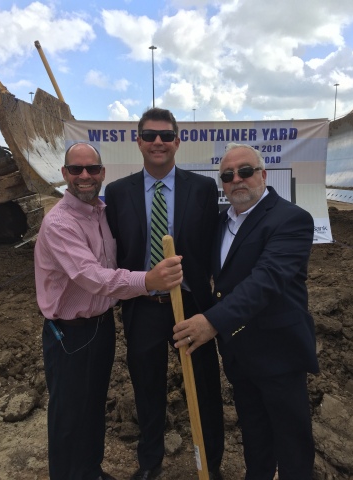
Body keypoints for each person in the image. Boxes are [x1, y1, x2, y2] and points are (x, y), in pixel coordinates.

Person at [34, 142, 183, 480]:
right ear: (64, 175)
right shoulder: (60, 223)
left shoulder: (100, 212)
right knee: (69, 414)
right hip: (69, 332)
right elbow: (92, 277)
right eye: (76, 169)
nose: (84, 176)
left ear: (102, 173)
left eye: (91, 169)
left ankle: (90, 471)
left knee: (92, 406)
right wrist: (149, 279)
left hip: (100, 325)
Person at [173, 143, 319, 480]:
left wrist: (211, 321)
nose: (236, 179)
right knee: (255, 437)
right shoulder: (221, 222)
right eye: (227, 175)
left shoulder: (290, 219)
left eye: (245, 171)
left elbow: (266, 280)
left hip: (279, 352)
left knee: (293, 445)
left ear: (263, 175)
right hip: (239, 354)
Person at [105, 108, 224, 480]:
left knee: (204, 385)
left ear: (177, 141)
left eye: (166, 135)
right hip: (143, 305)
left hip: (191, 304)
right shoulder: (118, 192)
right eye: (150, 135)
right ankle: (150, 461)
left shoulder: (202, 189)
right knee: (147, 384)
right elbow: (117, 249)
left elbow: (208, 246)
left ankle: (211, 462)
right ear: (138, 141)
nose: (158, 141)